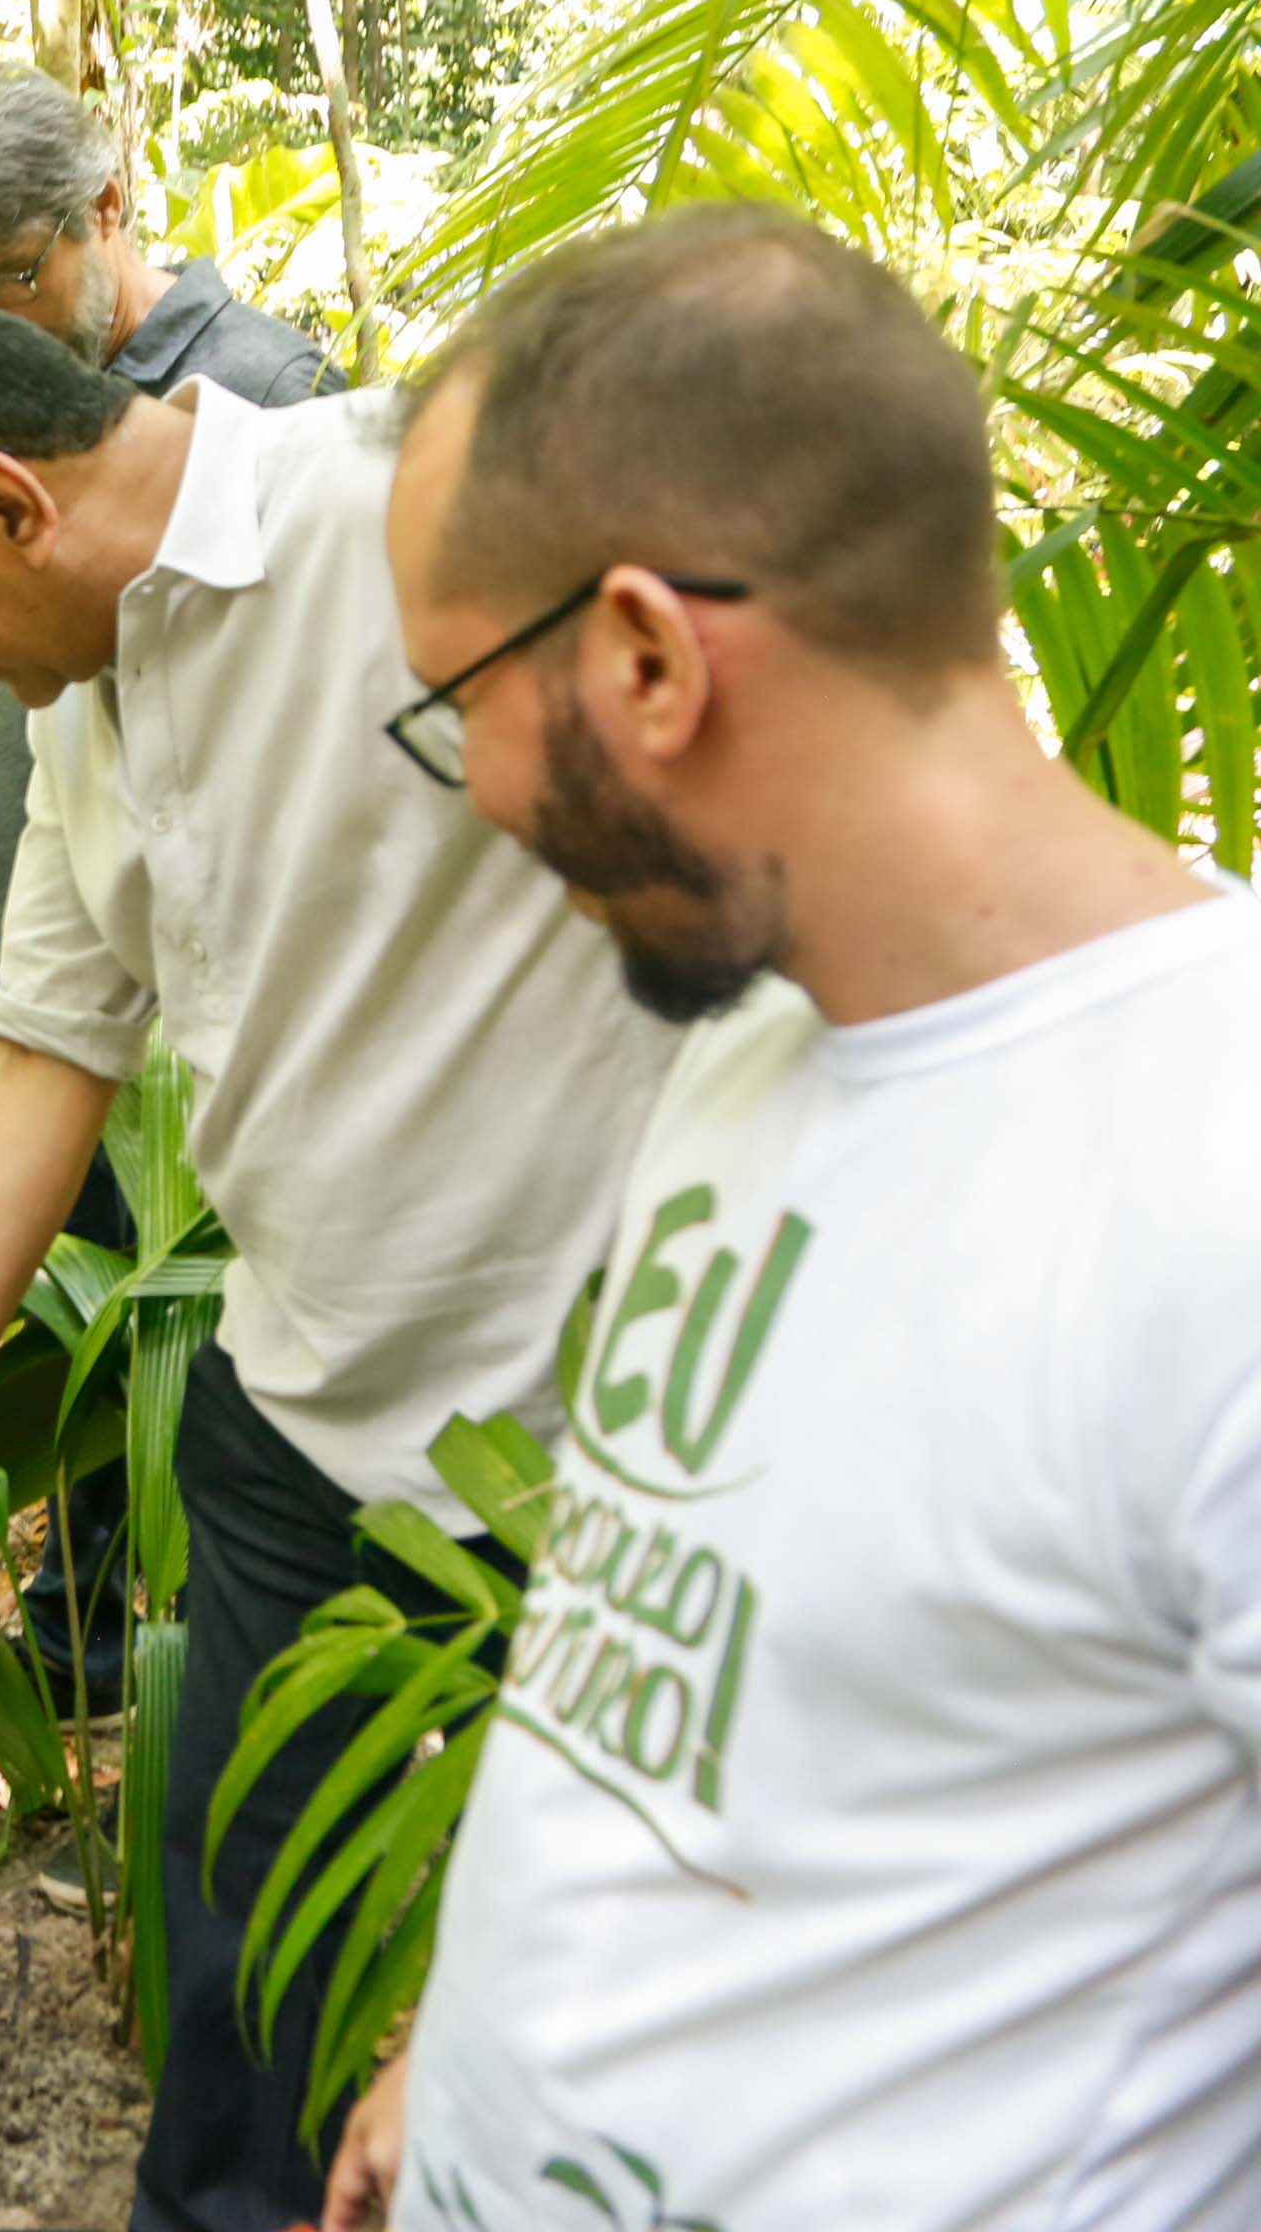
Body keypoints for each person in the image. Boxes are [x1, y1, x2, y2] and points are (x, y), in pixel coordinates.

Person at [316, 209, 1261, 2231]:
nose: (471, 786)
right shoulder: (749, 1046)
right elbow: (667, 1644)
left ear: (649, 654)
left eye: (457, 693)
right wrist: (457, 2050)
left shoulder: (1216, 1182)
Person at [0, 287, 676, 2232]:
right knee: (244, 1960)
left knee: (626, 1989)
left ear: (4, 501)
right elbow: (47, 1045)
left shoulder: (415, 514)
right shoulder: (84, 697)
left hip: (595, 1440)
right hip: (297, 1411)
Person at [0, 62, 341, 1736]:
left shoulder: (307, 448)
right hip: (295, 1343)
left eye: (6, 282)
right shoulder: (63, 667)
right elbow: (50, 1032)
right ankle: (84, 1628)